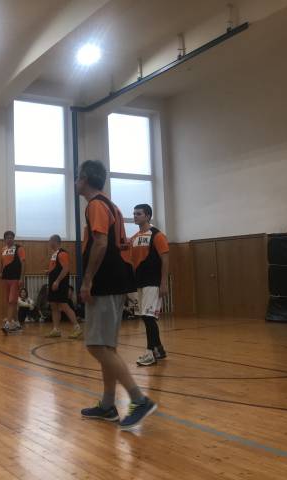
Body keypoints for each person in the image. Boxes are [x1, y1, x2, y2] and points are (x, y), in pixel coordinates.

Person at [77, 160, 157, 431]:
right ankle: (108, 405)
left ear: (84, 179)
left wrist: (87, 280)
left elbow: (100, 243)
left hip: (106, 282)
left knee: (95, 346)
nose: (75, 182)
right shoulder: (110, 205)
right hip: (116, 281)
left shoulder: (96, 205)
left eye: (77, 178)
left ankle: (139, 400)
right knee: (106, 347)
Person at [130, 204, 170, 366]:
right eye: (134, 214)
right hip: (139, 282)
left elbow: (165, 259)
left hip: (153, 282)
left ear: (148, 216)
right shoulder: (133, 238)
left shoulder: (157, 235)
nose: (135, 216)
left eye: (139, 214)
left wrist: (163, 282)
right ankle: (158, 349)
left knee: (149, 317)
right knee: (146, 317)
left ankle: (150, 353)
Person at [45, 235, 82, 339]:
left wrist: (57, 281)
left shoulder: (62, 253)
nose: (49, 243)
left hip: (60, 284)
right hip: (53, 283)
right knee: (53, 305)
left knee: (64, 305)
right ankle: (56, 330)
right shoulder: (54, 254)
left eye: (50, 241)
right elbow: (56, 267)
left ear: (54, 241)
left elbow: (66, 269)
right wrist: (49, 272)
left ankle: (77, 328)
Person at [0, 230, 25, 333]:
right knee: (12, 302)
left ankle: (8, 323)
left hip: (15, 278)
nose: (9, 239)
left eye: (11, 237)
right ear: (5, 239)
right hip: (6, 279)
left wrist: (21, 278)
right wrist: (1, 272)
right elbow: (2, 262)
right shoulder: (3, 249)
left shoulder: (19, 248)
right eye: (7, 238)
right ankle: (17, 323)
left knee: (11, 301)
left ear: (13, 238)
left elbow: (23, 263)